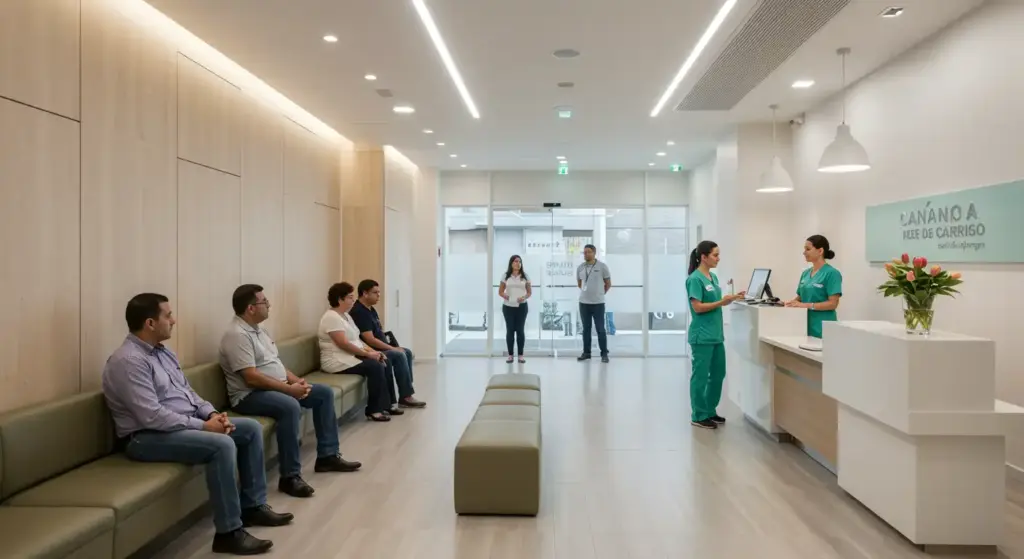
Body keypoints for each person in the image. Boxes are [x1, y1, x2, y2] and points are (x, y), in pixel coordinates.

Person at [102, 293, 291, 555]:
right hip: (145, 437)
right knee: (221, 445)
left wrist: (212, 414)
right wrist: (203, 427)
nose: (174, 320)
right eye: (168, 315)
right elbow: (151, 416)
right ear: (150, 323)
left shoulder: (164, 353)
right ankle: (228, 533)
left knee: (250, 429)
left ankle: (253, 507)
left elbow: (187, 393)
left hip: (176, 426)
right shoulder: (128, 361)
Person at [219, 284, 361, 500]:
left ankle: (328, 456)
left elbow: (276, 364)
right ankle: (290, 476)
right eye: (264, 302)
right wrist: (288, 390)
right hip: (249, 395)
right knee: (289, 406)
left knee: (322, 393)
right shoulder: (236, 335)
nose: (268, 305)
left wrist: (298, 382)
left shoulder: (260, 330)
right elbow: (251, 377)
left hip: (276, 386)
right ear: (250, 308)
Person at [685, 241, 745, 430]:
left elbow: (718, 301)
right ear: (703, 257)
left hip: (716, 335)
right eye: (715, 255)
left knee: (718, 374)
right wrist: (722, 302)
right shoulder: (695, 279)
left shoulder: (712, 278)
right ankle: (699, 414)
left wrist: (731, 298)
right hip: (702, 336)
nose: (718, 258)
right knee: (700, 376)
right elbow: (697, 307)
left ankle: (710, 410)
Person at [318, 282, 394, 422]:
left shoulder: (345, 316)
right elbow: (343, 344)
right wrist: (368, 355)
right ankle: (374, 410)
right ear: (340, 299)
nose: (353, 300)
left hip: (349, 356)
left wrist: (373, 351)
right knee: (375, 366)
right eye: (350, 298)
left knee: (383, 359)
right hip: (336, 361)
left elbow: (357, 340)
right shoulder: (331, 317)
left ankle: (386, 405)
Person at [350, 279, 427, 409]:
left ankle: (405, 394)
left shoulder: (370, 310)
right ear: (365, 293)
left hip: (380, 346)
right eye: (375, 293)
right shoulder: (359, 312)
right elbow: (370, 340)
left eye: (379, 292)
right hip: (371, 351)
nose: (379, 295)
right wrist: (392, 348)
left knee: (406, 352)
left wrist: (394, 346)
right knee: (398, 354)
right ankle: (406, 396)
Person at [786, 235, 843, 338]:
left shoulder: (832, 273)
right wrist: (787, 303)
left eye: (808, 249)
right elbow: (800, 298)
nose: (804, 252)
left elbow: (832, 304)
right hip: (803, 326)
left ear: (820, 251)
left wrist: (807, 305)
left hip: (823, 328)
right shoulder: (805, 273)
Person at [576, 244, 612, 362]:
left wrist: (600, 294)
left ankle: (604, 354)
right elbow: (579, 283)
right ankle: (586, 353)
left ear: (594, 253)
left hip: (598, 303)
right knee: (586, 329)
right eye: (584, 252)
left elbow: (608, 284)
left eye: (589, 252)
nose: (586, 254)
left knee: (600, 329)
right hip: (584, 303)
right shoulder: (580, 267)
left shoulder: (602, 266)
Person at [498, 254, 532, 363]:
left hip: (522, 307)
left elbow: (529, 292)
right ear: (511, 263)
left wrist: (524, 297)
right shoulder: (505, 276)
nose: (518, 263)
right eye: (516, 261)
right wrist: (505, 296)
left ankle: (521, 355)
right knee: (510, 330)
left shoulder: (525, 276)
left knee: (520, 330)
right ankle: (510, 355)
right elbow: (500, 291)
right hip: (508, 307)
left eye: (519, 261)